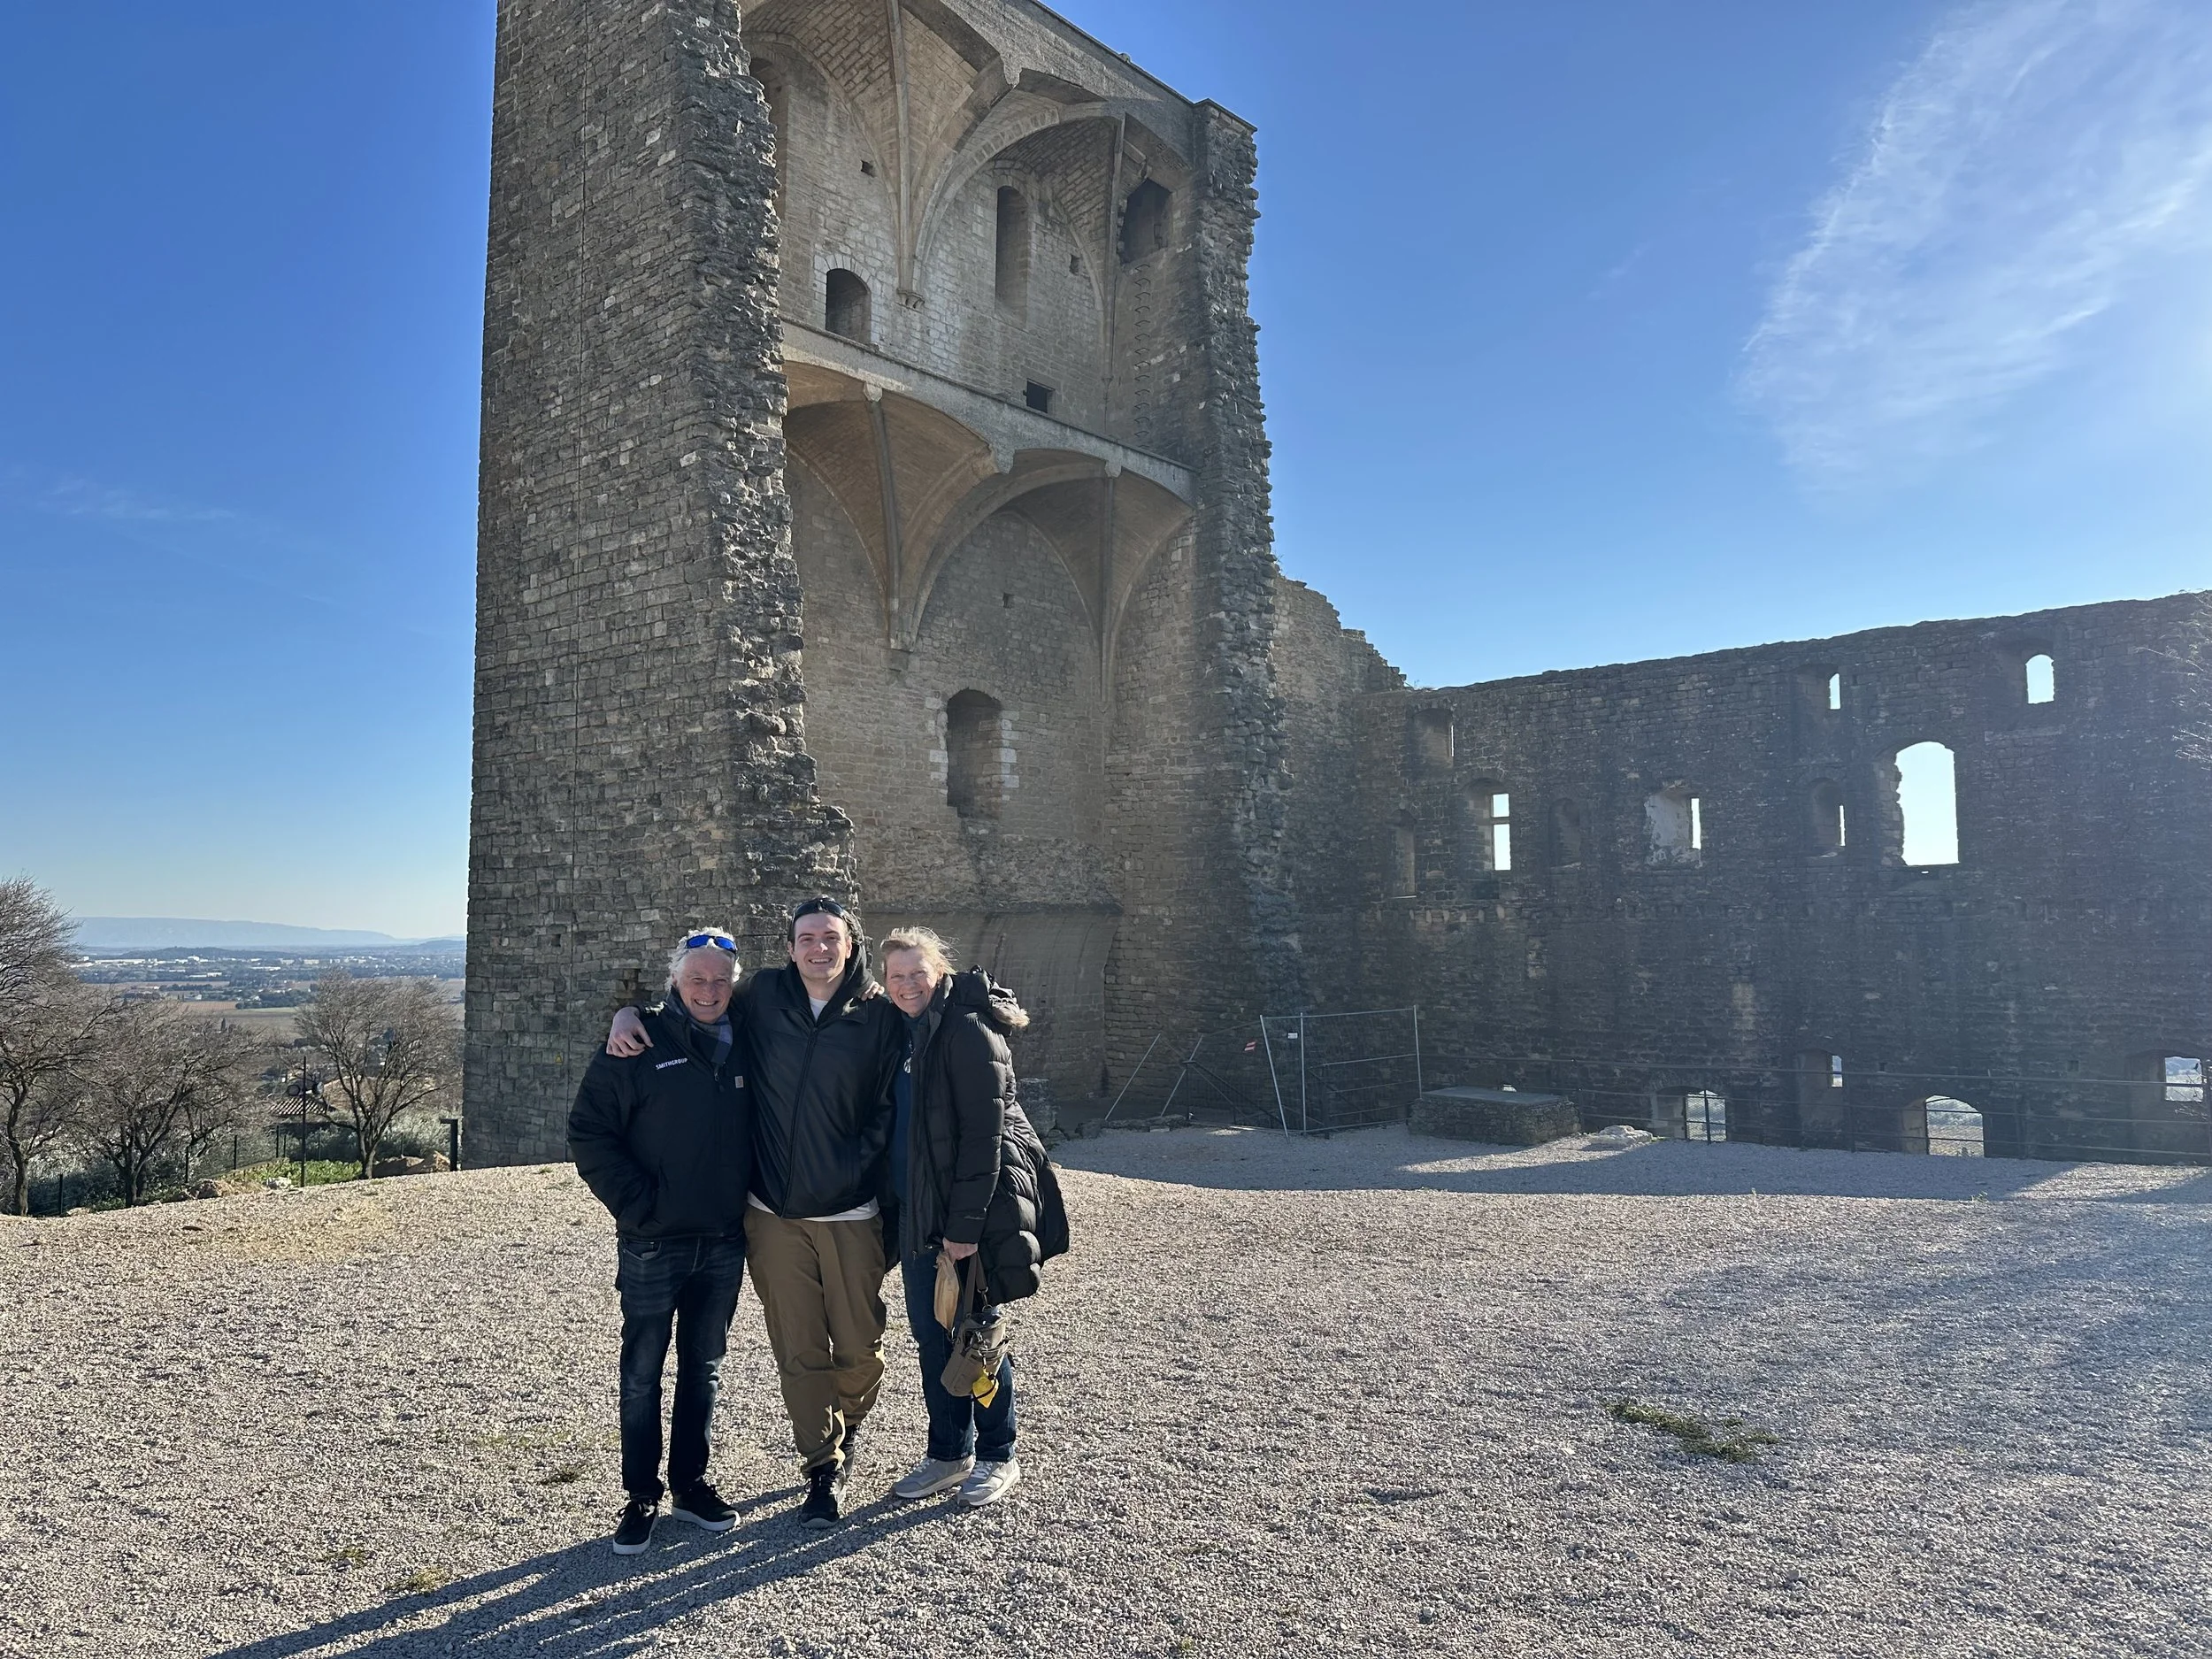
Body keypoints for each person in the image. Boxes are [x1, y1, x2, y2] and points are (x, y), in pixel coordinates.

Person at [608, 897, 902, 1528]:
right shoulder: (763, 996)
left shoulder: (878, 1013)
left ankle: (846, 1424)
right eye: (806, 938)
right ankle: (822, 1465)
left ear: (851, 944)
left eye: (830, 937)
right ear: (789, 948)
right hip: (773, 1212)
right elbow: (694, 1000)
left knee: (859, 1348)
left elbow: (908, 1073)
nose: (819, 948)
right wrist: (629, 1012)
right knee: (799, 1351)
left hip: (851, 1210)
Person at [568, 928, 753, 1555]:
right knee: (642, 1373)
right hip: (653, 1241)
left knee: (704, 1369)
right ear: (675, 980)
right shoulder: (638, 1041)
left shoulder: (748, 1039)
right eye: (697, 978)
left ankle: (690, 1485)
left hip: (723, 1239)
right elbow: (589, 1131)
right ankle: (641, 1495)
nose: (709, 990)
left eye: (721, 980)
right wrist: (639, 1205)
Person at [878, 926, 1068, 1510]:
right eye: (896, 976)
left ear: (939, 972)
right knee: (931, 1338)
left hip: (963, 1222)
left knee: (975, 1336)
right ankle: (947, 1452)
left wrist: (963, 1230)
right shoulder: (906, 1030)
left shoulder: (966, 1030)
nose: (908, 984)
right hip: (919, 1214)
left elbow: (983, 1142)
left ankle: (997, 1453)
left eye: (918, 973)